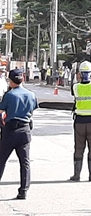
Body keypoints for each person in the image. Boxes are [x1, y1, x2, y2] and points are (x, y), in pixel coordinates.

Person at [0, 69, 38, 199]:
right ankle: (23, 191)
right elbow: (32, 110)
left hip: (10, 130)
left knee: (1, 160)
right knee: (24, 162)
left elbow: (2, 110)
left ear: (10, 81)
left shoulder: (9, 95)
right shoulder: (31, 95)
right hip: (25, 130)